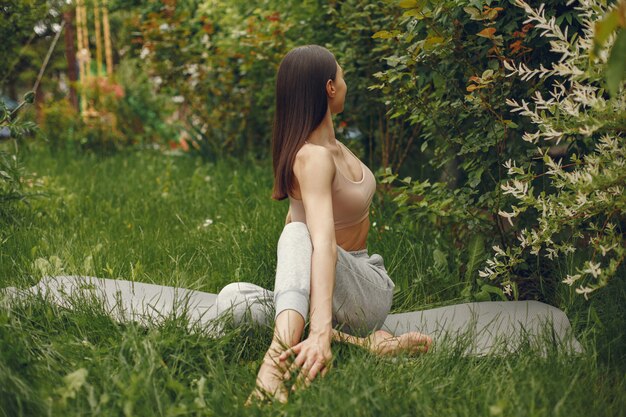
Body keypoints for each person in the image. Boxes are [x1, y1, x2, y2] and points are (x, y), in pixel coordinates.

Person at [213, 45, 432, 404]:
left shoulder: (331, 149)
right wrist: (319, 329)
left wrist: (319, 326)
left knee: (297, 234)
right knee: (233, 300)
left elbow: (325, 246)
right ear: (330, 87)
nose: (346, 83)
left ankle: (275, 361)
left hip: (364, 288)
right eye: (342, 76)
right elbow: (324, 243)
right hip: (331, 295)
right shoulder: (311, 157)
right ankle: (361, 343)